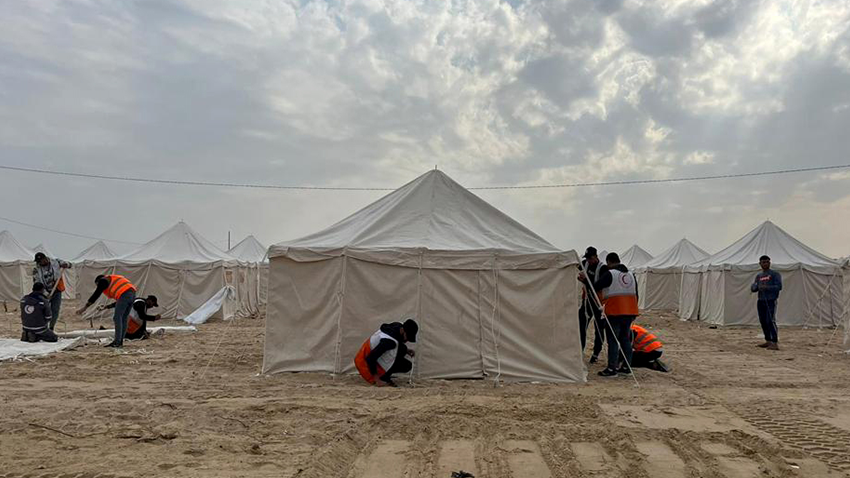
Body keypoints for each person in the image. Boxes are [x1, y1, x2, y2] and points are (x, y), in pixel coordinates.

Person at [580, 252, 639, 377]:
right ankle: (626, 367)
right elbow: (636, 294)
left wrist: (585, 281)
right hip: (629, 312)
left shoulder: (610, 274)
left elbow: (595, 287)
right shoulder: (631, 274)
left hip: (615, 312)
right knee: (625, 339)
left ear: (609, 262)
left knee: (612, 340)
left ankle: (612, 369)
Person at [76, 274, 137, 348]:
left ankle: (117, 342)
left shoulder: (103, 280)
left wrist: (85, 308)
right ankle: (120, 341)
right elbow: (120, 302)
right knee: (123, 318)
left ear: (98, 281)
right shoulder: (115, 280)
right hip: (132, 294)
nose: (99, 287)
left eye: (98, 285)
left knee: (117, 318)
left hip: (125, 295)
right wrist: (107, 307)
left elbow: (96, 294)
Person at [354, 318, 418, 387]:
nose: (407, 340)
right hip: (364, 364)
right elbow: (371, 358)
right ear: (403, 331)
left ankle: (384, 375)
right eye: (408, 337)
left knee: (402, 350)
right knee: (406, 365)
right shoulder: (388, 342)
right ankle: (383, 377)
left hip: (367, 355)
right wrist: (377, 379)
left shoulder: (398, 326)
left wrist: (406, 351)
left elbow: (398, 340)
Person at [577, 247, 607, 363]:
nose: (589, 261)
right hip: (587, 301)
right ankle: (580, 350)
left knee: (599, 328)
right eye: (587, 258)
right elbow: (575, 265)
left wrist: (585, 280)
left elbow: (598, 285)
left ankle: (595, 354)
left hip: (599, 303)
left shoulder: (602, 268)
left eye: (590, 258)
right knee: (581, 326)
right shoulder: (585, 263)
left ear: (596, 256)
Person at [32, 252, 72, 331]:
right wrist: (45, 293)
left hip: (56, 290)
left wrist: (66, 264)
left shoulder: (56, 262)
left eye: (40, 261)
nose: (39, 263)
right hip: (44, 292)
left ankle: (51, 328)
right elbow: (37, 282)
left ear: (45, 259)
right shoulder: (36, 269)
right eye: (38, 262)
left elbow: (70, 265)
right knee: (43, 310)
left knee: (55, 310)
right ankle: (43, 327)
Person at [751, 255, 782, 350]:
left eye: (767, 262)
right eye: (763, 262)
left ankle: (774, 342)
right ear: (760, 264)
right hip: (761, 300)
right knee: (763, 321)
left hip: (770, 300)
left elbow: (779, 287)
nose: (765, 264)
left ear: (770, 263)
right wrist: (755, 287)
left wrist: (767, 287)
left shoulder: (775, 274)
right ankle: (768, 340)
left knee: (770, 321)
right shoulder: (759, 276)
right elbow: (753, 288)